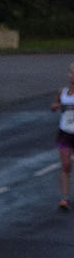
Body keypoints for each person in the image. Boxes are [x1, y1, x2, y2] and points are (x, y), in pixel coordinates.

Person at [50, 63, 74, 210]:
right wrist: (56, 106)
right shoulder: (62, 92)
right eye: (71, 72)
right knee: (66, 165)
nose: (72, 76)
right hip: (65, 133)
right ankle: (64, 198)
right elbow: (54, 106)